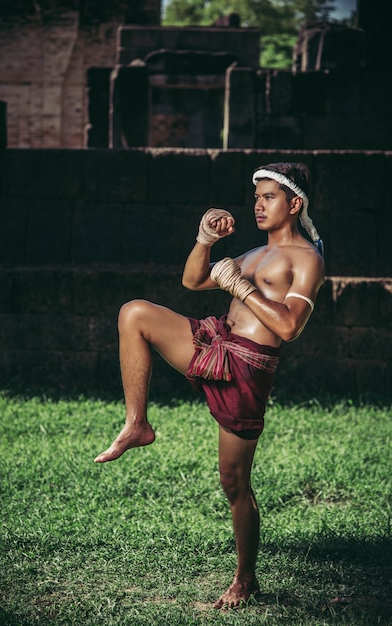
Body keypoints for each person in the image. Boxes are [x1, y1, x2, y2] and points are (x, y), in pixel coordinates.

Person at [94, 162, 325, 609]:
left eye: (269, 197)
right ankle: (137, 423)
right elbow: (193, 280)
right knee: (134, 313)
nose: (258, 205)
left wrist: (241, 288)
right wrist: (205, 239)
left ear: (294, 204)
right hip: (214, 339)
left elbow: (291, 326)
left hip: (247, 367)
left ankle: (245, 579)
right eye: (256, 197)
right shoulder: (255, 253)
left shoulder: (306, 259)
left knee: (234, 482)